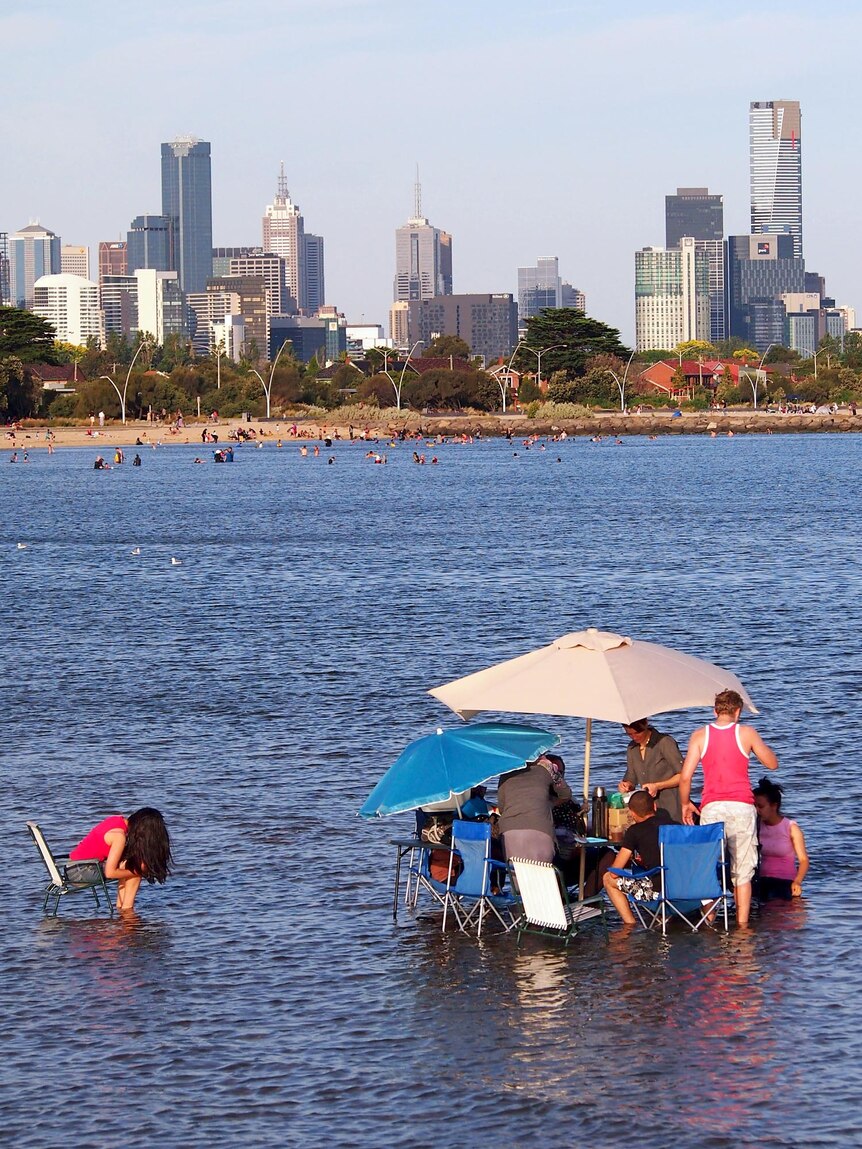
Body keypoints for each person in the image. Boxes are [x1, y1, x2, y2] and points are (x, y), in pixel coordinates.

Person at [679, 688, 778, 927]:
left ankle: (709, 920)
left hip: (712, 806)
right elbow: (772, 764)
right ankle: (742, 925)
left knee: (708, 865)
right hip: (742, 806)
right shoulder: (746, 733)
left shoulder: (700, 736)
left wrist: (685, 804)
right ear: (737, 711)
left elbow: (685, 777)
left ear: (715, 711)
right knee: (742, 869)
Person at [68, 807, 172, 911]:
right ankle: (127, 912)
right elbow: (110, 873)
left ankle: (122, 908)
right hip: (80, 872)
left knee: (130, 865)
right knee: (136, 868)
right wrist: (138, 871)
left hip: (72, 868)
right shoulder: (119, 837)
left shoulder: (117, 821)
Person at [602, 790, 677, 925]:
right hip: (688, 889)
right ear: (654, 806)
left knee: (607, 878)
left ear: (631, 813)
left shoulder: (634, 831)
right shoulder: (677, 826)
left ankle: (630, 924)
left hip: (659, 892)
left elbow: (615, 872)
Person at [497, 754, 572, 863]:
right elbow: (566, 794)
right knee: (541, 875)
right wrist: (550, 803)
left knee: (518, 874)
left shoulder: (505, 775)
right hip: (540, 829)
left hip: (510, 831)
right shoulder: (545, 770)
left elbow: (502, 808)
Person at [753, 777, 808, 900]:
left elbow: (804, 860)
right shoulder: (756, 827)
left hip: (785, 882)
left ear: (774, 806)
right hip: (762, 880)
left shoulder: (790, 828)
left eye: (760, 806)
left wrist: (797, 882)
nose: (756, 810)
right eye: (754, 806)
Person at [619, 718, 684, 821]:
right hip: (647, 810)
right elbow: (631, 776)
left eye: (637, 733)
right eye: (629, 734)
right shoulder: (632, 748)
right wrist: (626, 785)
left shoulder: (664, 742)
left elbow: (684, 776)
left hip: (672, 805)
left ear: (645, 724)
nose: (634, 737)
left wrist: (658, 786)